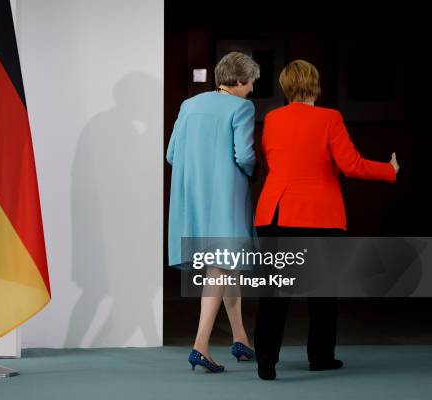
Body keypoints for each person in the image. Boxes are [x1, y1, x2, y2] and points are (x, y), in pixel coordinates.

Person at [253, 59, 399, 380]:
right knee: (321, 292)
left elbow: (275, 161)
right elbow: (352, 165)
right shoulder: (330, 117)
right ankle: (320, 357)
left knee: (275, 292)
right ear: (315, 85)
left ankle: (266, 359)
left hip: (275, 212)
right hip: (318, 214)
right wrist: (389, 170)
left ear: (286, 86)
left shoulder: (272, 118)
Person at [166, 52, 259, 373]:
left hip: (192, 196)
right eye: (250, 83)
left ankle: (241, 338)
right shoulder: (242, 107)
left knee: (225, 265)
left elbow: (171, 153)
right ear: (238, 81)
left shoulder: (188, 106)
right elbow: (244, 155)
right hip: (226, 194)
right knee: (220, 266)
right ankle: (200, 345)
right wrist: (254, 170)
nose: (251, 90)